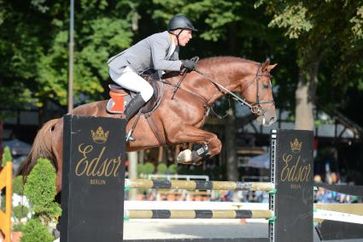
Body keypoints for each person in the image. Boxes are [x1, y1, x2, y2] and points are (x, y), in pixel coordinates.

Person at [107, 15, 198, 122]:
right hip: (121, 69)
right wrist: (182, 64)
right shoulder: (161, 39)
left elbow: (171, 67)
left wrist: (185, 67)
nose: (190, 37)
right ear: (178, 31)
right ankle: (121, 122)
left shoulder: (175, 46)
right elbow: (159, 64)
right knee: (147, 90)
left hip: (134, 71)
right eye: (189, 32)